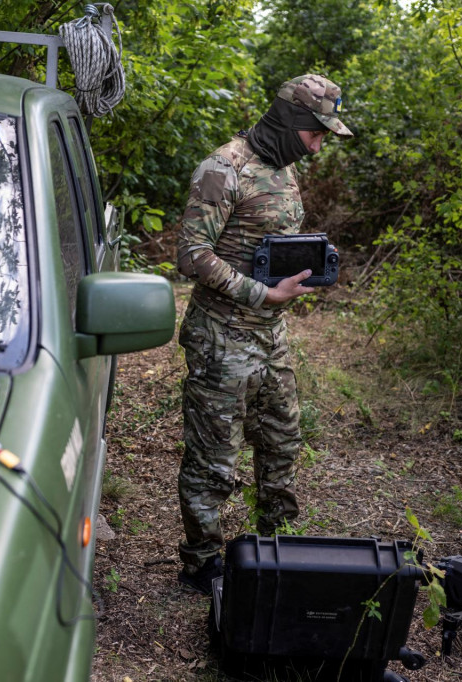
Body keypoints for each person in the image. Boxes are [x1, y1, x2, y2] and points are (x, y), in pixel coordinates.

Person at [174, 74, 353, 594]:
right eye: (316, 134)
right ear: (292, 122)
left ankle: (280, 547)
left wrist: (309, 266)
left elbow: (269, 242)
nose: (319, 146)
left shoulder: (285, 168)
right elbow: (191, 255)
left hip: (271, 337)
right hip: (222, 339)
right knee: (215, 459)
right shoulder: (222, 169)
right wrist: (260, 294)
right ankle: (202, 562)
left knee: (281, 442)